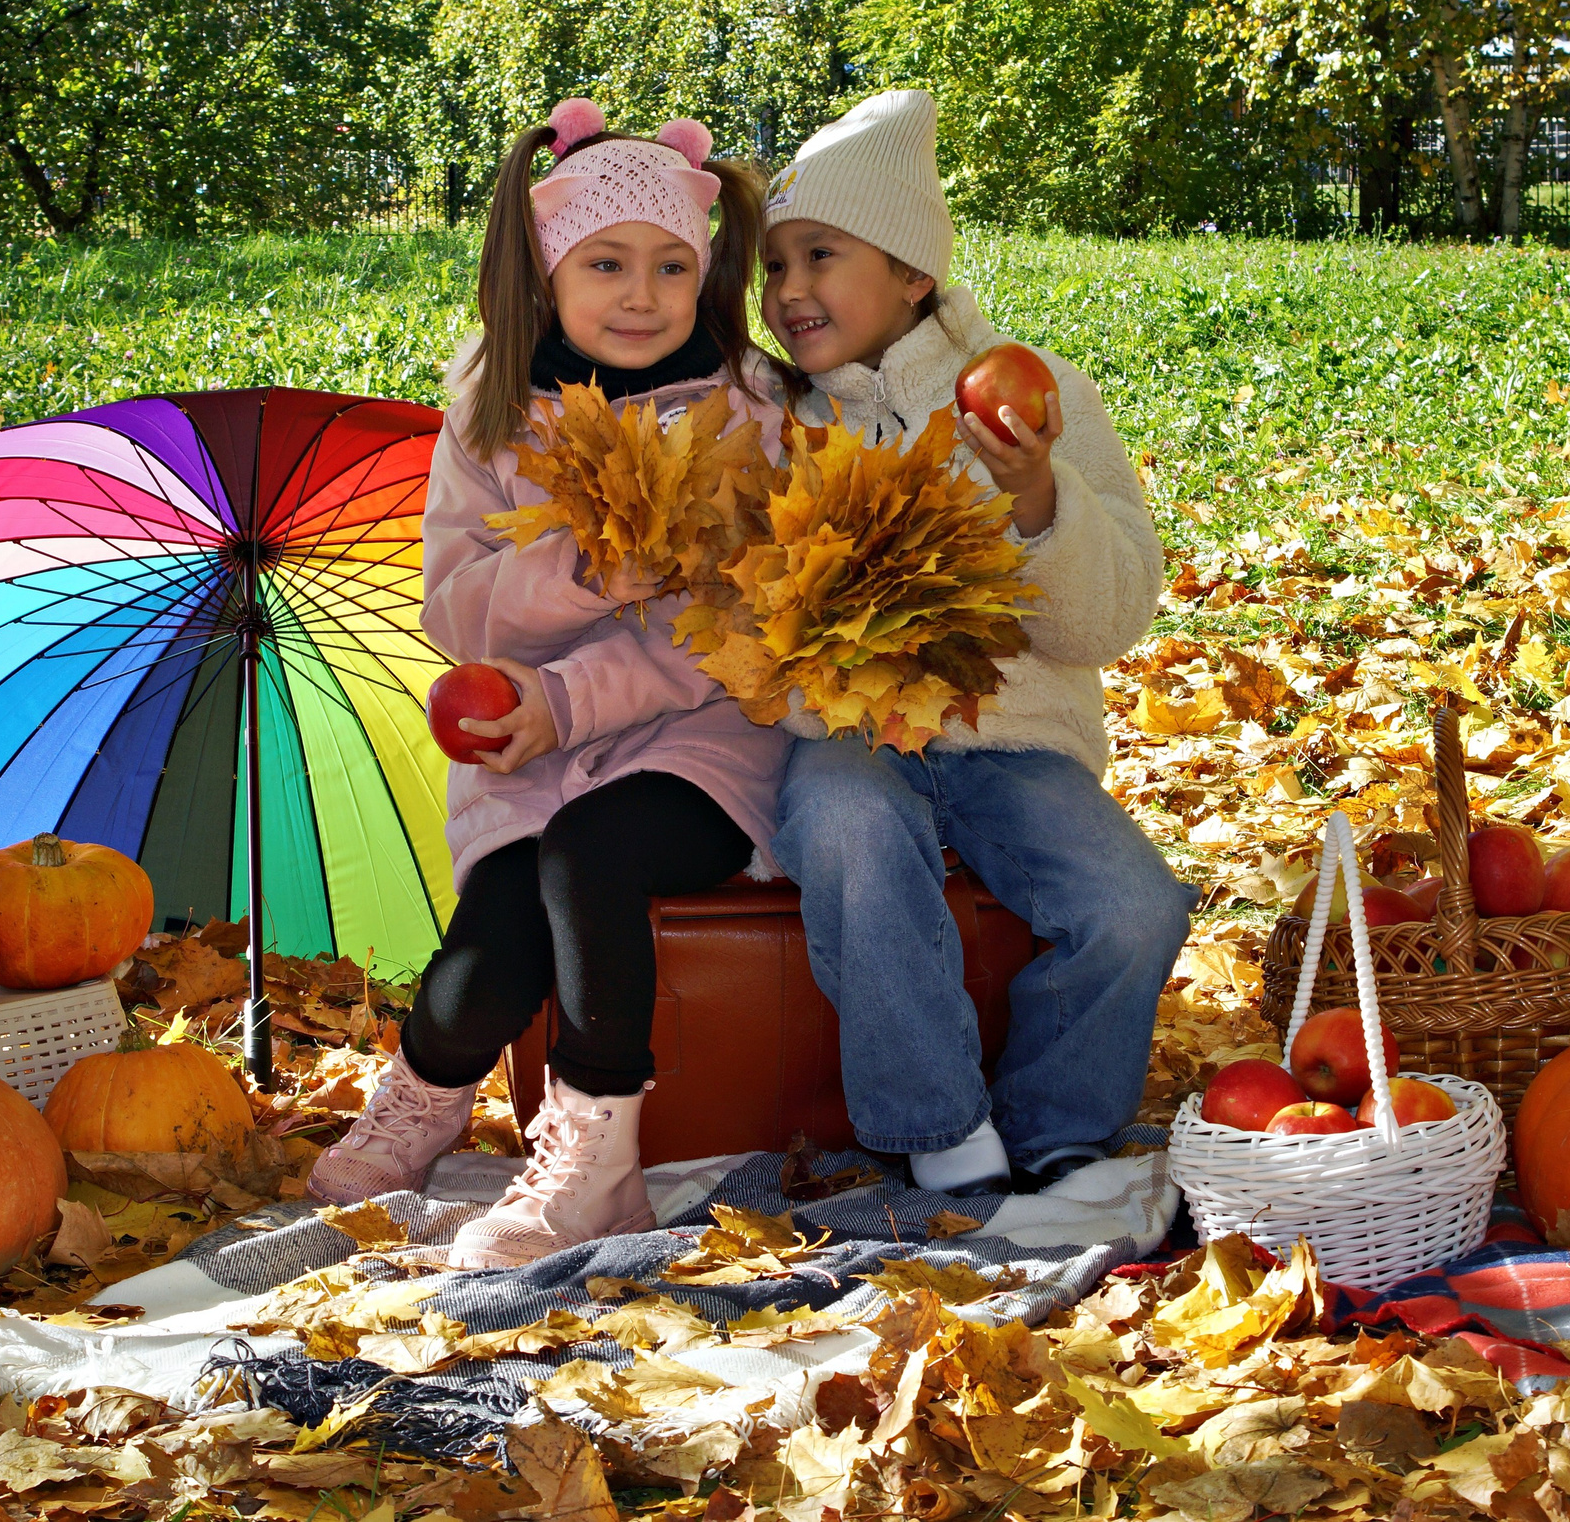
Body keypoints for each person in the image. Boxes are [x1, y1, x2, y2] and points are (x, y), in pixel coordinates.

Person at [309, 98, 790, 1269]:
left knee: (594, 857)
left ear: (705, 272)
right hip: (525, 739)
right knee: (496, 941)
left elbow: (733, 632)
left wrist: (575, 699)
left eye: (672, 266)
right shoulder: (490, 406)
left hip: (698, 735)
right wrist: (583, 567)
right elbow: (456, 604)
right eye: (608, 263)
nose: (642, 294)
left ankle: (598, 1164)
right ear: (546, 267)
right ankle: (423, 1096)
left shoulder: (745, 411)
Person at [761, 89, 1193, 1196]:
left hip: (1015, 742)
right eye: (773, 266)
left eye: (820, 255)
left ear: (912, 271)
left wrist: (1036, 495)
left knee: (1134, 905)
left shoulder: (1036, 398)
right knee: (850, 826)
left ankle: (1057, 1127)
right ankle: (937, 1126)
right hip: (853, 735)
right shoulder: (777, 423)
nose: (789, 290)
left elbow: (1108, 618)